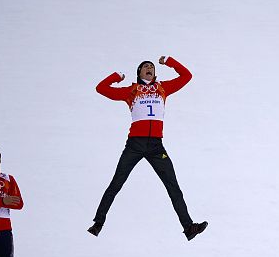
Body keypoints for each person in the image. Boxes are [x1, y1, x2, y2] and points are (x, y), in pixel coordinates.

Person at [88, 56, 207, 241]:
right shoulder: (131, 91)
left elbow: (186, 76)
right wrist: (116, 77)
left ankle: (189, 227)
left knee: (173, 186)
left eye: (151, 66)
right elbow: (101, 89)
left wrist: (169, 61)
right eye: (145, 67)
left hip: (155, 146)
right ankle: (98, 223)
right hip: (135, 144)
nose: (149, 68)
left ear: (155, 72)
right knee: (116, 183)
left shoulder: (163, 88)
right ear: (139, 73)